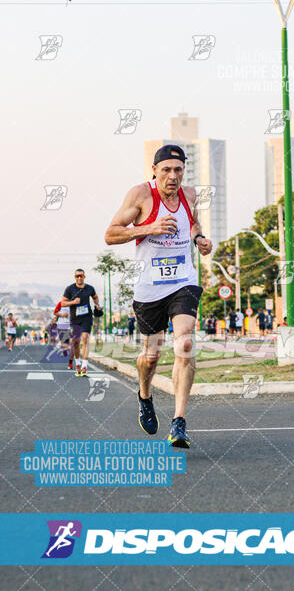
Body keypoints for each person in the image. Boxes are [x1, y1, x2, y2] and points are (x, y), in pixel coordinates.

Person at [104, 144, 212, 448]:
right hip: (149, 287)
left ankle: (179, 423)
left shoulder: (190, 195)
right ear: (155, 171)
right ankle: (145, 394)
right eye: (166, 170)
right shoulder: (140, 195)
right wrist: (149, 227)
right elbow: (111, 234)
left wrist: (200, 239)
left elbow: (192, 224)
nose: (173, 176)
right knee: (150, 356)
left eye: (178, 170)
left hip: (183, 281)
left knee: (186, 342)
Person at [61, 269, 101, 376]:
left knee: (85, 338)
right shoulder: (70, 289)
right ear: (75, 277)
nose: (79, 278)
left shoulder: (89, 288)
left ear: (84, 277)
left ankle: (84, 366)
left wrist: (97, 304)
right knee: (76, 341)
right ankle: (77, 363)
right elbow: (62, 303)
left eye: (81, 276)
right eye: (77, 276)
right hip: (75, 318)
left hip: (87, 317)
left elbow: (95, 297)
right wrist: (73, 302)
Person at [54, 301, 73, 368]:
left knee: (71, 343)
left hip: (70, 325)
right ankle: (64, 349)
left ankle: (70, 363)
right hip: (61, 325)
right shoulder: (60, 303)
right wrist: (62, 315)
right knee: (65, 343)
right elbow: (55, 312)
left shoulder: (73, 304)